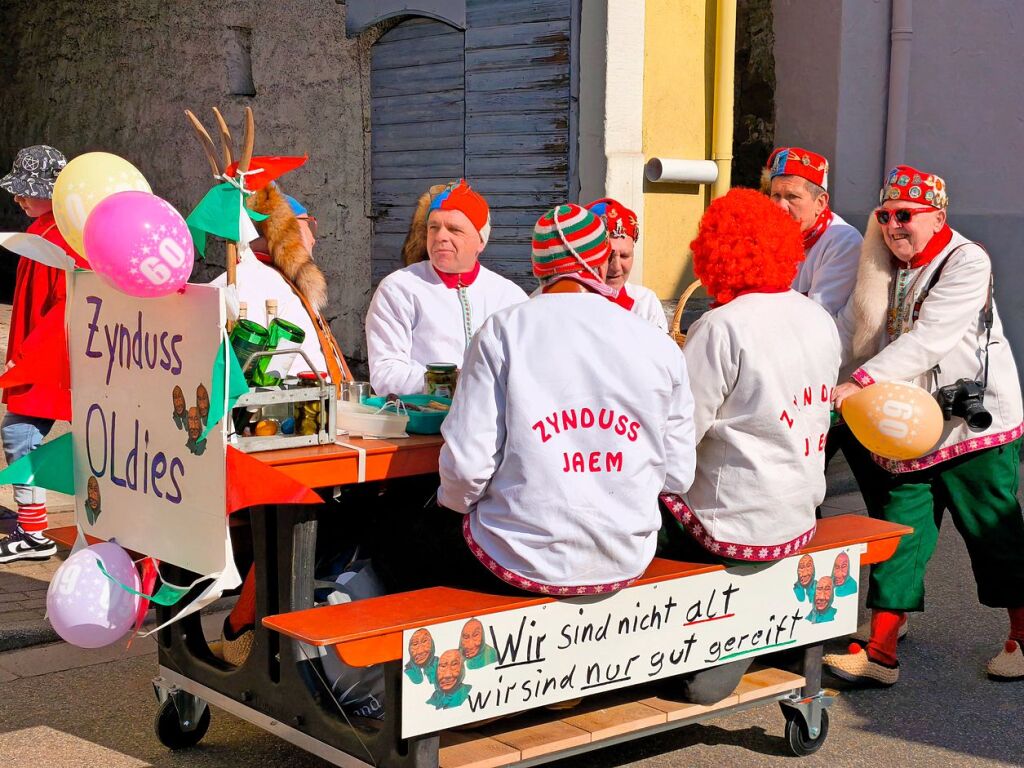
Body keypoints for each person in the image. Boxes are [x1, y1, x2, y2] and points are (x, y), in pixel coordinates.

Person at [375, 204, 695, 600]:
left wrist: (454, 506)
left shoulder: (503, 331)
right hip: (626, 557)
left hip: (519, 561)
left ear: (537, 266)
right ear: (599, 263)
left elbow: (467, 468)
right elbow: (678, 475)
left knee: (390, 530)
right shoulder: (656, 344)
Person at [824, 165, 1024, 685]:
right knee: (901, 529)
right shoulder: (883, 262)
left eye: (905, 215)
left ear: (937, 216)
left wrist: (861, 382)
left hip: (971, 429)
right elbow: (850, 324)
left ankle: (1022, 636)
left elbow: (931, 338)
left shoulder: (967, 260)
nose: (893, 225)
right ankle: (882, 648)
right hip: (908, 424)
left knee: (991, 531)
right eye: (885, 215)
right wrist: (813, 370)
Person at [656, 188, 840, 704]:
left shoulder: (720, 326)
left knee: (631, 513)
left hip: (731, 522)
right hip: (798, 512)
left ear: (714, 253)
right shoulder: (816, 317)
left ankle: (645, 648)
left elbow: (678, 438)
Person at [365, 180, 527, 397]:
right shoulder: (399, 288)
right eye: (434, 227)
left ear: (480, 240)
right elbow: (386, 373)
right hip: (424, 424)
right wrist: (452, 382)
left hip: (494, 426)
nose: (441, 236)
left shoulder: (509, 296)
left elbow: (528, 367)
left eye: (454, 229)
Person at [0, 145, 83, 564]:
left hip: (54, 358)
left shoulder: (57, 237)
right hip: (53, 356)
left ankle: (34, 534)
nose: (18, 198)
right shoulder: (49, 232)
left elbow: (62, 307)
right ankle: (34, 530)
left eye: (25, 191)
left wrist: (26, 357)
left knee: (21, 434)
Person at [767, 147, 862, 317]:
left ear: (820, 202)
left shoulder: (843, 241)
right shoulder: (768, 234)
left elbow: (816, 316)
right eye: (775, 195)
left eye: (792, 197)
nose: (780, 206)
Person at [584, 198, 667, 331]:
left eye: (624, 256)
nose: (616, 267)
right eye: (608, 256)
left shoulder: (645, 304)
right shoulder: (566, 302)